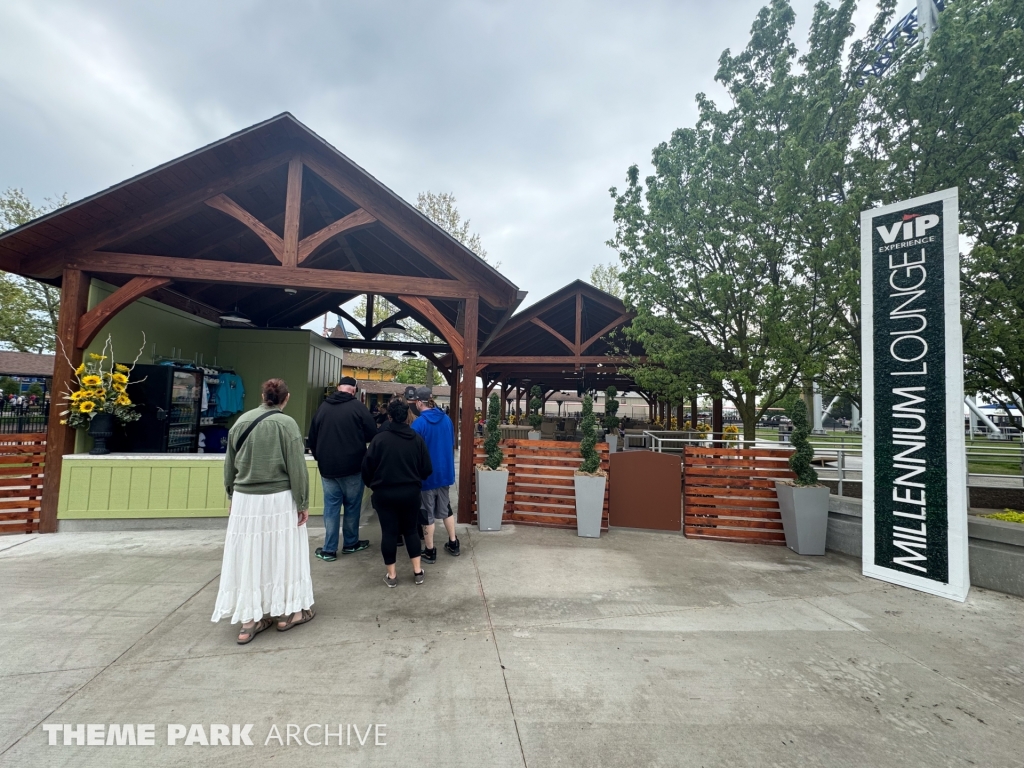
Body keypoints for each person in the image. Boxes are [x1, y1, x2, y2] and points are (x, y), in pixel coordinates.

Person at [212, 378, 315, 644]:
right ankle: (288, 613)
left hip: (245, 499)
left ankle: (249, 620)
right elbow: (297, 469)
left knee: (248, 555)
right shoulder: (287, 425)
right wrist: (302, 502)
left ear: (262, 395)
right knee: (284, 552)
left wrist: (231, 493)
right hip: (279, 499)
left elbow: (229, 464)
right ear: (286, 398)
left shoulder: (242, 422)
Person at [361, 399, 432, 587]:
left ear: (390, 416)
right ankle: (417, 572)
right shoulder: (417, 439)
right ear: (408, 416)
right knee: (411, 531)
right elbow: (427, 468)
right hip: (410, 492)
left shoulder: (379, 439)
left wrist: (372, 485)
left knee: (389, 533)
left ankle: (392, 576)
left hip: (384, 493)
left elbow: (367, 468)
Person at [307, 376, 377, 561]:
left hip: (328, 468)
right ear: (354, 390)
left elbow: (312, 436)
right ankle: (350, 543)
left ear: (338, 388)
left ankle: (329, 549)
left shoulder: (323, 408)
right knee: (352, 507)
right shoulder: (358, 408)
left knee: (331, 508)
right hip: (353, 466)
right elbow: (372, 434)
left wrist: (319, 457)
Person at [410, 388, 459, 561]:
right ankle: (453, 542)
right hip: (445, 473)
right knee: (446, 508)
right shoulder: (447, 420)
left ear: (418, 402)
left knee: (427, 514)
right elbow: (452, 443)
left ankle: (430, 551)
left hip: (426, 476)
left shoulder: (418, 424)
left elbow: (413, 453)